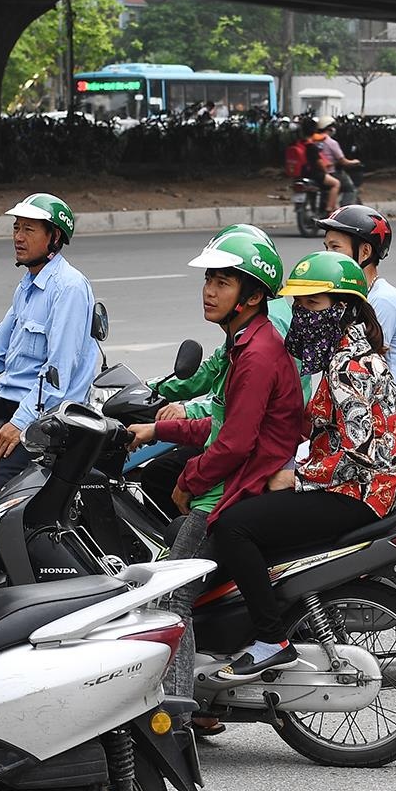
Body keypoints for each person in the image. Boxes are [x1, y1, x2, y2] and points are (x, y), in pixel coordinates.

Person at [124, 231, 310, 693]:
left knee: (169, 602)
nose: (209, 290)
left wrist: (189, 479)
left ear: (250, 295)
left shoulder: (258, 355)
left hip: (227, 491)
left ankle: (176, 715)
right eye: (208, 279)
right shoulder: (243, 344)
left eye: (223, 282)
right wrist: (157, 429)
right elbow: (221, 425)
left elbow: (234, 445)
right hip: (231, 482)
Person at [207, 251, 396, 679]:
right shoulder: (346, 352)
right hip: (361, 486)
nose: (301, 314)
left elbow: (360, 451)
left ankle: (269, 639)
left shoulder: (347, 366)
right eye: (298, 305)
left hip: (356, 493)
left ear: (343, 307)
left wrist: (296, 476)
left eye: (312, 305)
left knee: (233, 527)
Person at [0, 192, 97, 490]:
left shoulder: (68, 288)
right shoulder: (28, 286)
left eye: (29, 230)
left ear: (54, 237)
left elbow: (57, 375)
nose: (18, 237)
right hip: (13, 398)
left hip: (48, 414)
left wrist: (20, 424)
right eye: (16, 228)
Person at [318, 204, 396, 429]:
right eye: (326, 247)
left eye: (335, 248)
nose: (327, 256)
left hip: (383, 416)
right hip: (358, 407)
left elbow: (357, 369)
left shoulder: (381, 300)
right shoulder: (355, 297)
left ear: (364, 252)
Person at [286, 116, 339, 214]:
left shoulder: (297, 143)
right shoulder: (311, 146)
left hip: (300, 174)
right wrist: (326, 171)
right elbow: (319, 162)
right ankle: (330, 209)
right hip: (314, 174)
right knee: (336, 183)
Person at [318, 118, 362, 203]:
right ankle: (345, 211)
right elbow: (343, 162)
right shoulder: (331, 142)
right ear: (329, 128)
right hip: (331, 172)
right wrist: (355, 162)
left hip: (315, 172)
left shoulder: (313, 141)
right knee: (350, 189)